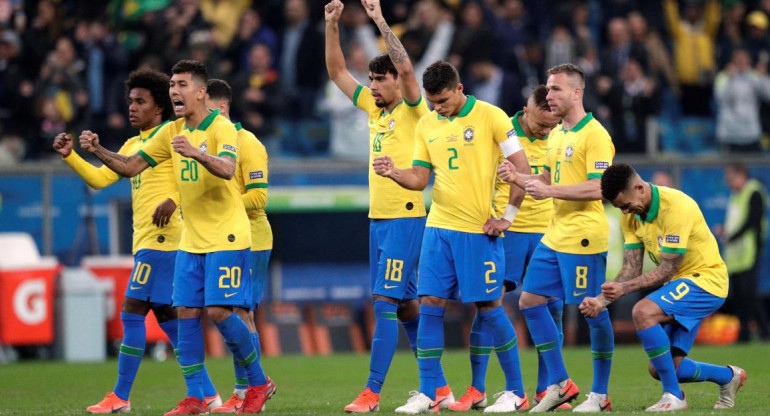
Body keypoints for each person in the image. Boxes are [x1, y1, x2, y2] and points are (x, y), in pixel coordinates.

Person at [78, 60, 270, 416]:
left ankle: (258, 382)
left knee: (218, 312)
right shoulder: (171, 131)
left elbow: (227, 169)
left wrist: (196, 153)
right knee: (184, 314)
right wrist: (96, 150)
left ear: (200, 92)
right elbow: (131, 166)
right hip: (190, 240)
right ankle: (198, 397)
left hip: (227, 235)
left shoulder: (221, 128)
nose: (174, 91)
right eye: (172, 86)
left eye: (182, 85)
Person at [52, 68, 221, 414]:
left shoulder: (172, 136)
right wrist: (72, 156)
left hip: (166, 240)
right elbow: (101, 179)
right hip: (146, 240)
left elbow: (193, 176)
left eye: (140, 102)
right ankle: (210, 396)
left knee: (131, 311)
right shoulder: (132, 145)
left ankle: (120, 397)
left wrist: (174, 200)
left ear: (158, 107)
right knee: (173, 325)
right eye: (130, 101)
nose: (132, 107)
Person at [373, 60, 531, 414]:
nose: (436, 108)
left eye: (442, 101)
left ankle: (517, 392)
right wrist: (394, 173)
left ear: (460, 89)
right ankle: (430, 393)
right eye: (432, 102)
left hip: (477, 230)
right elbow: (419, 178)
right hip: (438, 227)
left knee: (489, 307)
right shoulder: (427, 123)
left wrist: (507, 217)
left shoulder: (493, 117)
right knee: (429, 304)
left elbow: (523, 170)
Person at [324, 1, 453, 412]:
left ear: (398, 82)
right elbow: (337, 73)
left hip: (406, 218)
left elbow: (410, 70)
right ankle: (441, 390)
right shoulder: (372, 110)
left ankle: (372, 392)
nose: (374, 86)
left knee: (383, 303)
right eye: (373, 80)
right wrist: (331, 25)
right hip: (378, 220)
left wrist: (379, 20)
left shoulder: (415, 111)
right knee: (409, 305)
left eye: (381, 80)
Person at [580, 162, 747, 411]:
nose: (625, 212)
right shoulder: (632, 217)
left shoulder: (676, 207)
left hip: (706, 280)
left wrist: (623, 290)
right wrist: (600, 300)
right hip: (682, 283)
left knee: (642, 311)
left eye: (626, 205)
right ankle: (728, 376)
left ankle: (674, 396)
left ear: (639, 188)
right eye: (620, 208)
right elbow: (631, 268)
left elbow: (667, 269)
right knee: (663, 368)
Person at [498, 63, 615, 412]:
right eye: (547, 89)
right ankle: (562, 383)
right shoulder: (559, 134)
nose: (548, 96)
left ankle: (600, 393)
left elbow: (601, 188)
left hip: (583, 237)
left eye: (556, 90)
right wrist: (519, 179)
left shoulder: (595, 134)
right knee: (529, 302)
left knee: (592, 310)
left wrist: (553, 191)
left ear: (577, 93)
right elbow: (546, 180)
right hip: (555, 233)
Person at [449, 84, 564, 412]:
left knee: (551, 309)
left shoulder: (560, 135)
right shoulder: (500, 130)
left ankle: (548, 390)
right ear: (526, 112)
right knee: (488, 305)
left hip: (548, 231)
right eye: (542, 124)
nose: (546, 130)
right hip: (505, 230)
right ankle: (477, 388)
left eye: (552, 124)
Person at [206, 79, 277, 413]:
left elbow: (260, 194)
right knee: (232, 312)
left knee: (240, 312)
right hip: (221, 237)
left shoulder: (247, 143)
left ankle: (248, 390)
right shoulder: (206, 142)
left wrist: (222, 205)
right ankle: (250, 387)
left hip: (251, 238)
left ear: (220, 108)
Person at [721, 163, 769, 342]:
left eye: (730, 178)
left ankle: (764, 330)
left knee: (750, 294)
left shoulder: (754, 192)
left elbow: (752, 221)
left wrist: (731, 236)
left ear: (741, 175)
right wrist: (726, 232)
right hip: (736, 255)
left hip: (749, 252)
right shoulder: (736, 196)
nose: (728, 183)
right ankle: (744, 333)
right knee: (740, 296)